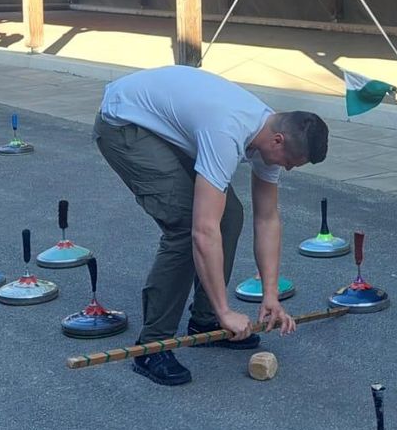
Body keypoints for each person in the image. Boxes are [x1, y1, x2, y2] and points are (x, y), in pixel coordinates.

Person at [94, 66, 329, 387]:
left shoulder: (269, 134)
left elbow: (268, 217)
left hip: (161, 123)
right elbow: (203, 230)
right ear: (278, 140)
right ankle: (151, 345)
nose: (287, 169)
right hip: (124, 124)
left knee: (230, 215)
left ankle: (204, 324)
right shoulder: (228, 130)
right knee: (184, 222)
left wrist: (270, 296)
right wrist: (226, 309)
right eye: (290, 162)